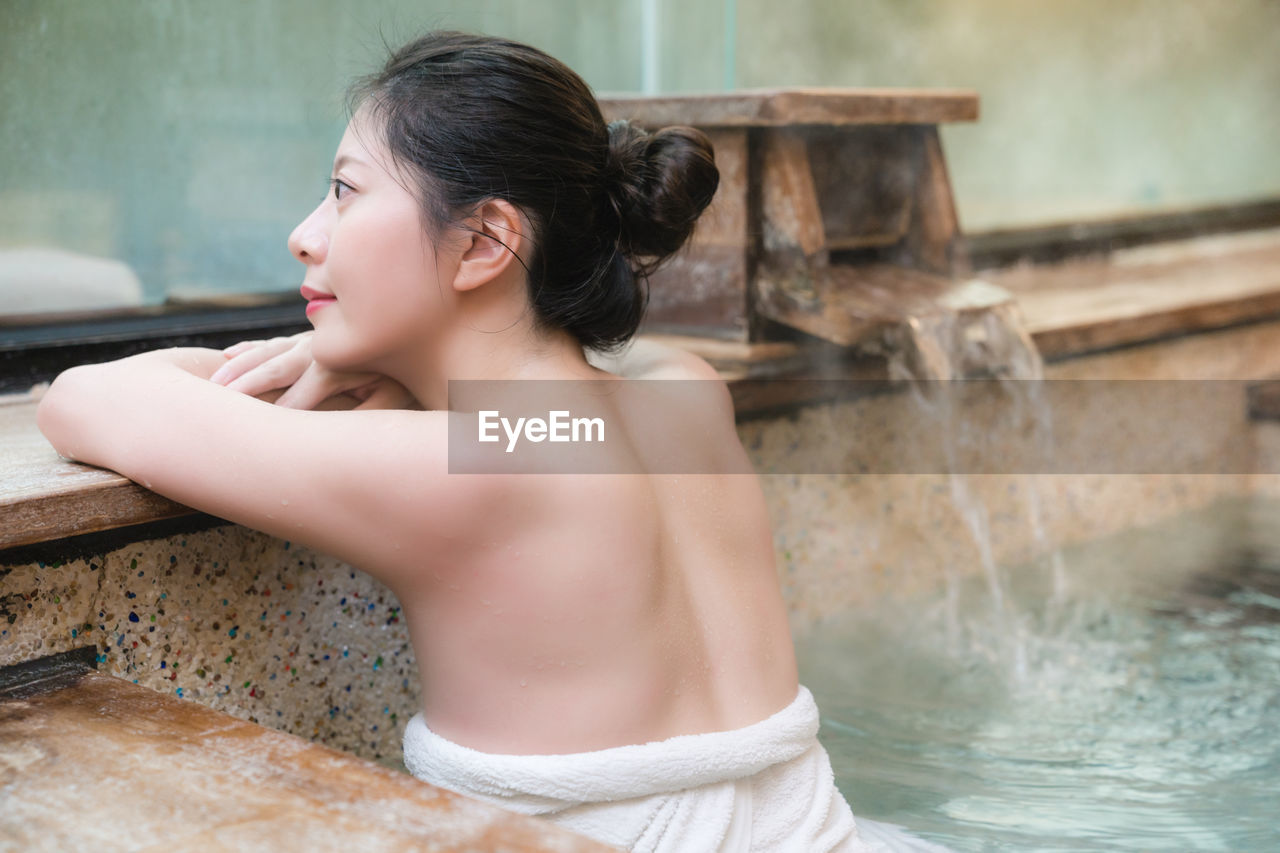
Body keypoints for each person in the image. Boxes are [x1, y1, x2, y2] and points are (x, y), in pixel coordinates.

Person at [38, 30, 947, 853]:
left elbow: (84, 399)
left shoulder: (460, 469)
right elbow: (608, 379)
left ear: (483, 241)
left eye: (346, 193)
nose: (304, 236)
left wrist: (348, 358)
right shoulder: (685, 400)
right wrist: (398, 366)